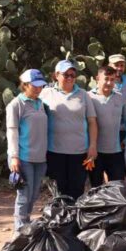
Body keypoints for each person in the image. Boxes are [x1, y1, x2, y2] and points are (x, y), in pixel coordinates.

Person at [41, 60, 98, 200]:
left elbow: (92, 122)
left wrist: (92, 146)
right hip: (54, 151)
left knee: (77, 189)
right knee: (58, 191)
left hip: (79, 152)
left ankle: (73, 220)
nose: (70, 78)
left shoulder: (84, 95)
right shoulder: (46, 93)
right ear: (56, 75)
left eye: (73, 75)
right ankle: (60, 219)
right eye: (66, 75)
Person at [6, 69, 49, 230]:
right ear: (25, 85)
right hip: (23, 157)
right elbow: (12, 130)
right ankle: (19, 230)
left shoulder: (41, 103)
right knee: (24, 195)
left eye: (40, 86)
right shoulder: (16, 104)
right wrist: (14, 156)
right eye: (34, 86)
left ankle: (26, 224)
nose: (38, 89)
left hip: (40, 157)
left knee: (34, 195)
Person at [87, 66, 126, 187]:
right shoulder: (88, 97)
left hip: (115, 151)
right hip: (95, 152)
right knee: (96, 188)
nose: (109, 82)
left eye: (112, 79)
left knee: (117, 188)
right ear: (97, 78)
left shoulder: (120, 97)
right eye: (106, 79)